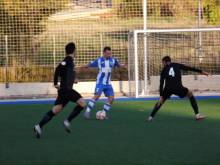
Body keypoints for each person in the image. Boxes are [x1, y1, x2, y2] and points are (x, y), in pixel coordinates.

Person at [33, 42, 86, 138]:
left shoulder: (69, 61)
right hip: (66, 90)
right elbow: (57, 69)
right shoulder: (67, 61)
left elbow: (62, 72)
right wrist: (55, 83)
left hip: (64, 90)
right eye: (76, 50)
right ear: (74, 50)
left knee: (55, 110)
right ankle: (67, 121)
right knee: (83, 103)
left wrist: (72, 80)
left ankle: (39, 126)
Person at [147, 56, 210, 122]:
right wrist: (201, 71)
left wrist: (161, 95)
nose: (163, 64)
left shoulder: (163, 70)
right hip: (178, 88)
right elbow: (189, 68)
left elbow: (161, 83)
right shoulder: (177, 65)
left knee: (161, 101)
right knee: (190, 94)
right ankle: (197, 115)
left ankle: (150, 117)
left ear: (166, 62)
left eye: (163, 63)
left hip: (168, 89)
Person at [83, 46, 126, 119]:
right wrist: (83, 66)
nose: (109, 55)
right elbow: (89, 64)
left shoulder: (113, 60)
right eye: (107, 54)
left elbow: (119, 65)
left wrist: (123, 66)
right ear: (104, 53)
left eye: (110, 53)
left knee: (111, 98)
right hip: (100, 82)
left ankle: (103, 113)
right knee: (97, 96)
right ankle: (87, 111)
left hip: (108, 83)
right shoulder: (99, 60)